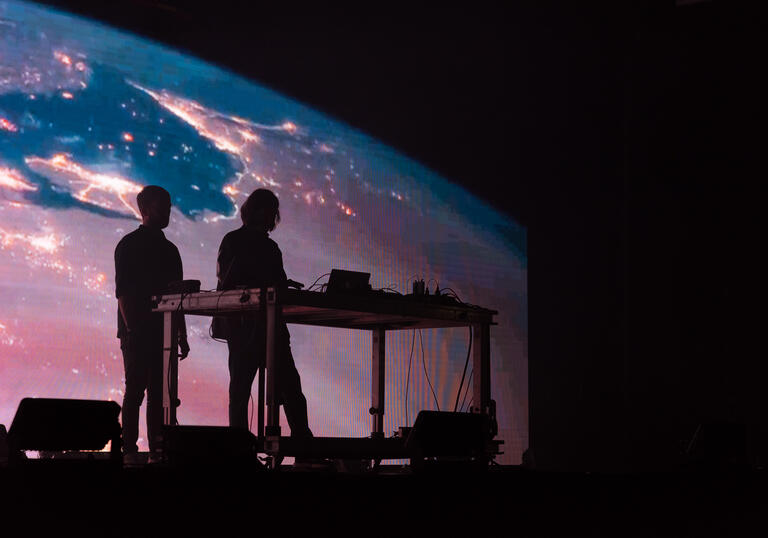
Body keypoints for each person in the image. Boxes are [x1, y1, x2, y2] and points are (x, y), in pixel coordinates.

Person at [216, 188, 312, 441]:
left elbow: (272, 282)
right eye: (267, 209)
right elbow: (228, 284)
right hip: (246, 326)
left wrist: (280, 286)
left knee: (286, 388)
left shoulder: (266, 246)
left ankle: (301, 444)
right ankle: (240, 445)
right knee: (245, 389)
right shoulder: (239, 242)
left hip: (263, 326)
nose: (270, 215)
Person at [114, 185, 189, 457]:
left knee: (157, 394)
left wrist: (180, 334)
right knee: (136, 390)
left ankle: (157, 448)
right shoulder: (129, 246)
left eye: (168, 206)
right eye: (162, 206)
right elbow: (123, 293)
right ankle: (129, 450)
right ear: (145, 210)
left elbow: (176, 295)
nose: (168, 211)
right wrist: (132, 329)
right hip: (138, 331)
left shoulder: (170, 250)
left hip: (161, 331)